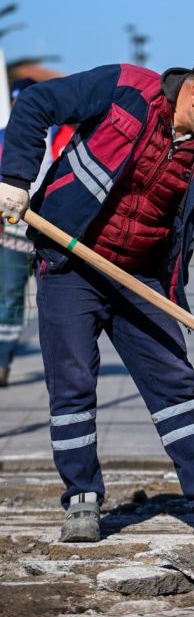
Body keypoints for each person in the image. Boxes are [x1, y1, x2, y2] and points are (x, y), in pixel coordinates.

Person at [0, 54, 194, 542]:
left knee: (174, 382)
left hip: (140, 277)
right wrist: (15, 179)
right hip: (69, 262)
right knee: (72, 386)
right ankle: (82, 501)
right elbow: (37, 103)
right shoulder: (125, 88)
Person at [0, 79, 74, 387]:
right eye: (17, 103)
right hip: (14, 233)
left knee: (60, 301)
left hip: (54, 232)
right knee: (9, 298)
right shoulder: (3, 138)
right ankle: (2, 361)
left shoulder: (64, 135)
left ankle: (66, 366)